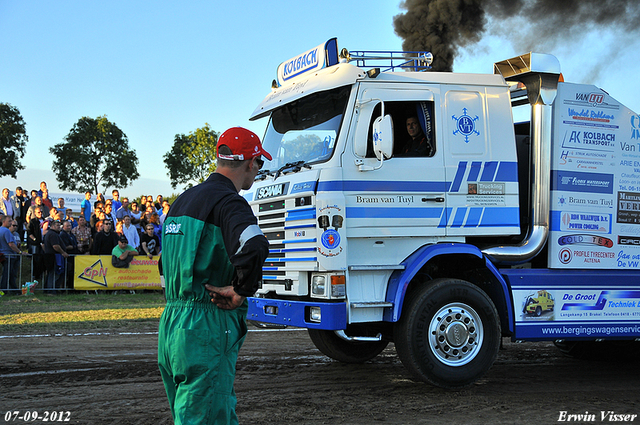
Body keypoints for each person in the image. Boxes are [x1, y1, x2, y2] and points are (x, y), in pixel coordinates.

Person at [158, 127, 270, 424]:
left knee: (189, 415)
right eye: (259, 164)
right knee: (210, 416)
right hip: (207, 324)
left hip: (172, 327)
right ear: (250, 162)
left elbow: (163, 265)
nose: (258, 171)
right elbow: (255, 244)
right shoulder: (230, 202)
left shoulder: (181, 201)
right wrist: (240, 290)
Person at [42, 220, 68, 292]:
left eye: (59, 225)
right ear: (52, 226)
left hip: (50, 255)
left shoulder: (49, 233)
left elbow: (43, 245)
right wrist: (63, 252)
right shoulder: (53, 234)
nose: (59, 227)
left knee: (51, 274)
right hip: (54, 257)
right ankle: (51, 290)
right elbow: (55, 246)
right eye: (57, 225)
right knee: (54, 274)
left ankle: (49, 289)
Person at [0, 215, 23, 292]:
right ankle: (3, 290)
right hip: (9, 255)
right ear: (4, 222)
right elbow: (11, 244)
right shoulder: (6, 231)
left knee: (9, 273)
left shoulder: (0, 230)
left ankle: (14, 290)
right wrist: (19, 252)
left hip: (4, 255)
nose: (11, 222)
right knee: (8, 274)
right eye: (9, 221)